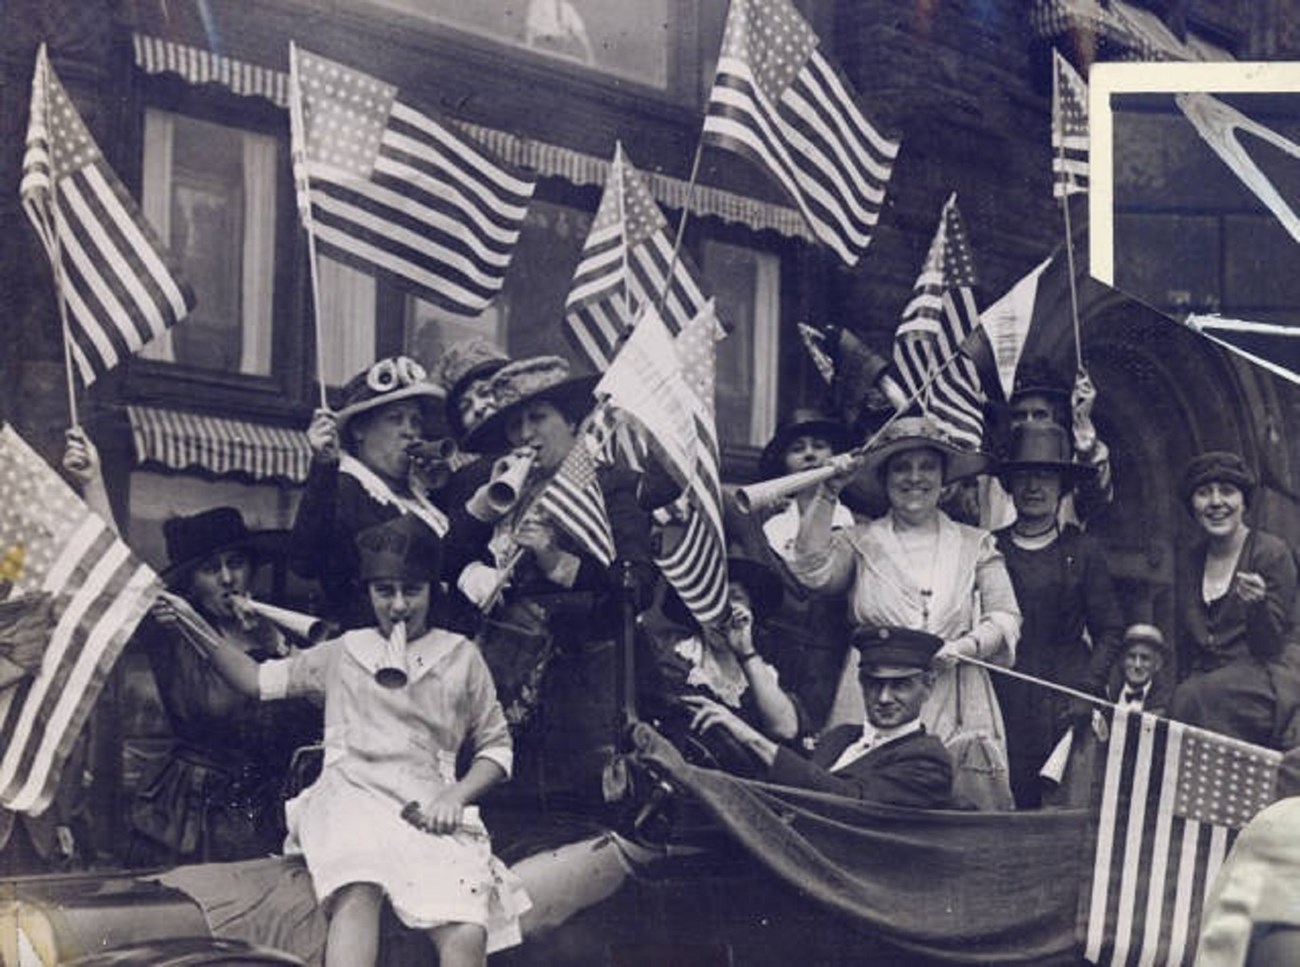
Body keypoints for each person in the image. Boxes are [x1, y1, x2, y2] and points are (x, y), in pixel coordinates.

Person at [177, 515, 527, 967]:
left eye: (412, 591)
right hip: (352, 799)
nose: (398, 606)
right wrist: (191, 626)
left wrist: (455, 796)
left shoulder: (462, 656)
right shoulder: (343, 652)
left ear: (433, 591)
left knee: (464, 924)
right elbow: (256, 680)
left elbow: (496, 748)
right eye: (385, 591)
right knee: (359, 885)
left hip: (426, 806)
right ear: (369, 593)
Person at [787, 415, 1020, 808]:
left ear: (944, 478)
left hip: (955, 690)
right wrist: (828, 495)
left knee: (960, 807)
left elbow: (1005, 617)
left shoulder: (976, 544)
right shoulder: (859, 541)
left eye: (927, 466)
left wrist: (963, 648)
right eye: (902, 468)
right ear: (884, 478)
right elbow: (813, 570)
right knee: (865, 803)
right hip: (878, 689)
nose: (915, 478)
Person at [456, 354, 656, 802]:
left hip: (582, 686)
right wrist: (476, 567)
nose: (525, 435)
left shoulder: (612, 486)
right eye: (515, 424)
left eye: (538, 418)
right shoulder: (501, 485)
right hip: (503, 675)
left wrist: (554, 560)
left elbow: (635, 586)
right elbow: (447, 558)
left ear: (572, 421)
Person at [128, 507, 322, 866]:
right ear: (191, 583)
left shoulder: (279, 631)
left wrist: (275, 640)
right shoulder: (173, 631)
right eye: (210, 569)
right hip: (193, 814)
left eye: (235, 563)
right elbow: (121, 582)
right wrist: (93, 482)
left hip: (268, 810)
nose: (227, 578)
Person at [993, 422, 1125, 808]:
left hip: (1065, 699)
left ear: (1062, 486)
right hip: (1004, 696)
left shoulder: (1082, 550)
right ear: (1010, 484)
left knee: (1060, 805)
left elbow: (1111, 630)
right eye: (1024, 476)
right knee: (1005, 802)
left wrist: (1088, 689)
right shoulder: (990, 548)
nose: (1034, 487)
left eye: (1046, 476)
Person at [683, 625, 954, 808]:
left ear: (928, 686)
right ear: (860, 681)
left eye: (900, 685)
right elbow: (793, 778)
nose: (883, 697)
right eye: (873, 683)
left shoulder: (927, 759)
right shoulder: (841, 736)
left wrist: (749, 737)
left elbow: (849, 803)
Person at [289, 355, 450, 631]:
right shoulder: (345, 488)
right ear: (360, 429)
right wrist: (323, 466)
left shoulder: (421, 494)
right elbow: (306, 560)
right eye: (395, 419)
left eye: (415, 421)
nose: (410, 432)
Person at [727, 408, 855, 729]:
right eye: (797, 449)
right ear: (783, 462)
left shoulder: (857, 528)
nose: (810, 455)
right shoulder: (763, 526)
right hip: (774, 655)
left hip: (832, 661)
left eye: (819, 446)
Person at [1169, 452, 1300, 748]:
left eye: (1227, 491)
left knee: (1193, 697)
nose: (1216, 502)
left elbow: (1270, 647)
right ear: (1192, 505)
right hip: (1213, 682)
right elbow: (1186, 644)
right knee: (1179, 705)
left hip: (1271, 679)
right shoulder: (1190, 560)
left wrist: (1258, 607)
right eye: (1204, 493)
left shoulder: (1270, 552)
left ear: (1244, 503)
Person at [637, 554, 808, 777]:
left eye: (734, 598)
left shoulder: (764, 672)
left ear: (751, 609)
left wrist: (745, 650)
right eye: (712, 599)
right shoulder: (673, 665)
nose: (722, 611)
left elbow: (786, 730)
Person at [984, 356, 1113, 531]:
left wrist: (1087, 451)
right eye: (1020, 416)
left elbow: (1096, 493)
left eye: (1039, 414)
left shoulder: (1069, 467)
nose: (1029, 423)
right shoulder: (990, 472)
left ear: (1055, 417)